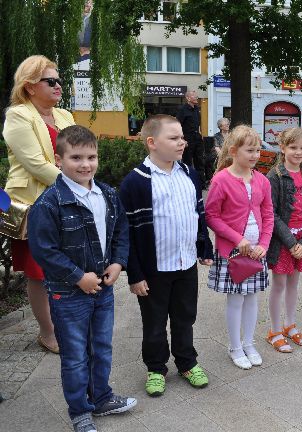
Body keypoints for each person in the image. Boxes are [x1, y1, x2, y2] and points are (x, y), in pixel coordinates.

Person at [28, 125, 136, 432]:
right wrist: (78, 277)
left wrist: (118, 262)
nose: (85, 164)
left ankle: (101, 398)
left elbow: (120, 232)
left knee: (101, 347)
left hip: (102, 290)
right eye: (76, 157)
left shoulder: (108, 194)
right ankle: (79, 411)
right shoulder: (49, 203)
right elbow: (44, 250)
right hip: (68, 295)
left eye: (91, 157)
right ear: (58, 159)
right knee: (75, 356)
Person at [120, 115, 214, 395]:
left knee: (186, 317)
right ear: (152, 143)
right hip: (154, 270)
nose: (182, 142)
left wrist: (203, 246)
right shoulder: (135, 183)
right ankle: (155, 367)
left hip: (185, 264)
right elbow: (127, 234)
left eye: (182, 137)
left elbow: (198, 215)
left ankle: (186, 361)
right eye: (173, 138)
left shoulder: (189, 174)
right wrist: (134, 275)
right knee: (155, 322)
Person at [3, 55, 76, 354]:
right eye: (51, 81)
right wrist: (77, 187)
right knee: (38, 271)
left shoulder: (66, 116)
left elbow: (78, 153)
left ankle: (66, 325)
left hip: (65, 201)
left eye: (59, 80)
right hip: (33, 203)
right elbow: (35, 163)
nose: (59, 85)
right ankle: (48, 333)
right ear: (30, 86)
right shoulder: (18, 115)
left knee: (66, 266)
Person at [205, 125, 274, 368]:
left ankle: (249, 342)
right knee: (236, 299)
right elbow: (212, 216)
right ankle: (235, 347)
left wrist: (264, 244)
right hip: (233, 251)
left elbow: (268, 215)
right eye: (250, 150)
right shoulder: (221, 180)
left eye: (258, 150)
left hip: (257, 251)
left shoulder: (263, 181)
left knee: (252, 298)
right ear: (233, 151)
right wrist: (238, 239)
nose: (256, 155)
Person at [265, 128, 302, 353]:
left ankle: (290, 324)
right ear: (282, 148)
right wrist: (291, 243)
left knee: (294, 284)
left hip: (301, 242)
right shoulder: (275, 176)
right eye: (293, 147)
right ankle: (274, 330)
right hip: (283, 242)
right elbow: (272, 213)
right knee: (278, 285)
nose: (299, 152)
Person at [176, 90, 205, 186]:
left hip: (197, 139)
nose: (196, 97)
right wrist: (182, 139)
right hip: (188, 140)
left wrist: (200, 134)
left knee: (199, 161)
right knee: (188, 161)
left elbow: (198, 124)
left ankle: (201, 183)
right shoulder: (182, 110)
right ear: (188, 98)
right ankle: (188, 183)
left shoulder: (197, 109)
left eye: (196, 95)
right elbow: (177, 125)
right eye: (194, 96)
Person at [207, 117, 230, 183]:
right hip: (219, 155)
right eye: (225, 125)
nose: (228, 125)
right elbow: (217, 148)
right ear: (220, 127)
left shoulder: (231, 135)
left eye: (228, 124)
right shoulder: (217, 136)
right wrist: (224, 156)